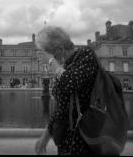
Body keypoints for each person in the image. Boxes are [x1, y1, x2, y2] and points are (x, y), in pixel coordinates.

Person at [34, 26, 99, 155]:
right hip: (66, 140)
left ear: (59, 50)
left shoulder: (86, 54)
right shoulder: (66, 65)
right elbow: (61, 109)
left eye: (45, 54)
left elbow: (70, 83)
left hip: (84, 139)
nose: (43, 60)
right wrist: (46, 136)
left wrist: (51, 61)